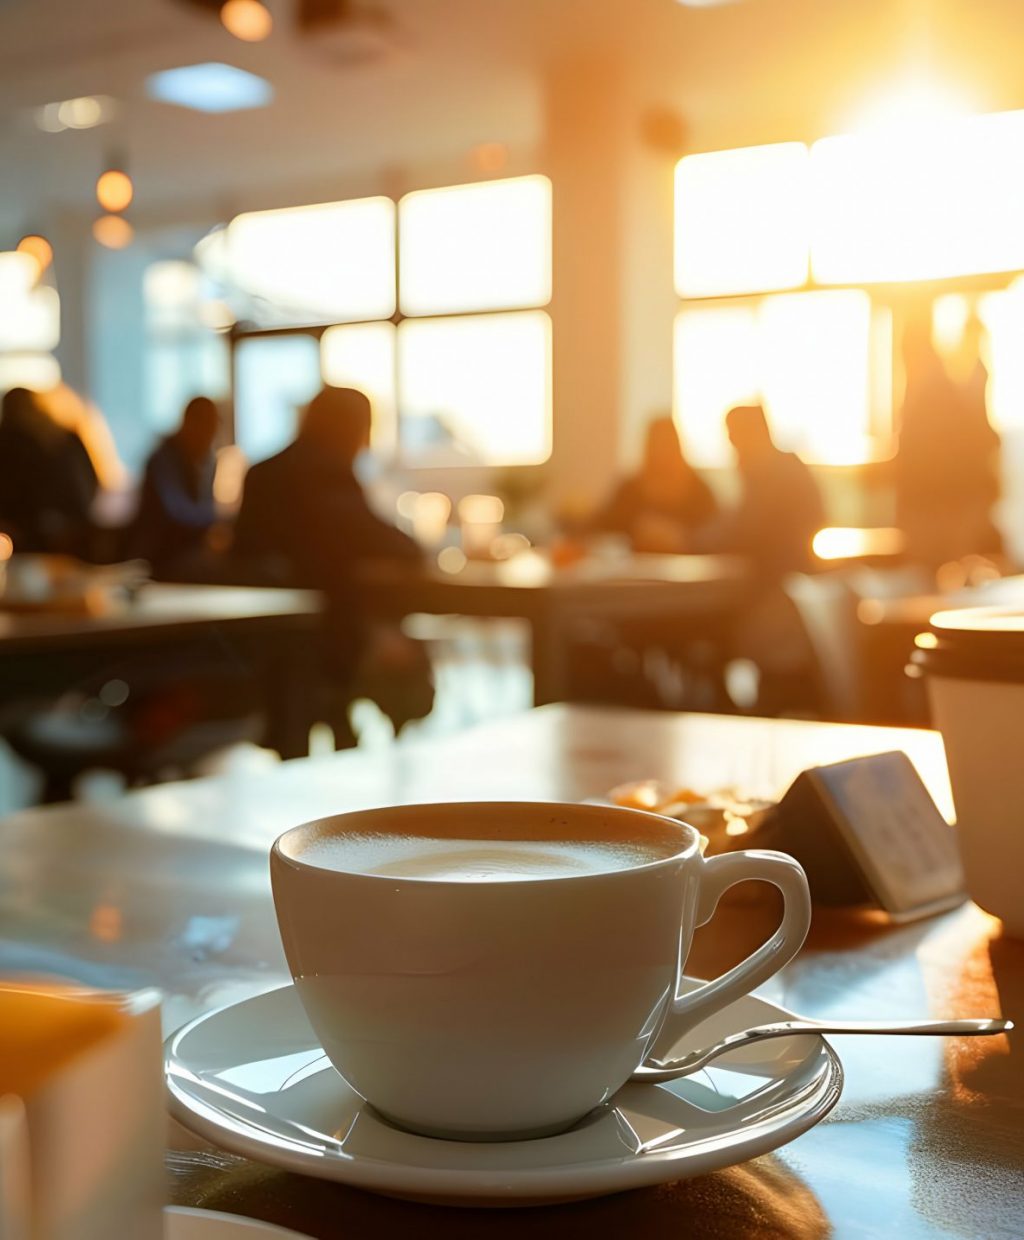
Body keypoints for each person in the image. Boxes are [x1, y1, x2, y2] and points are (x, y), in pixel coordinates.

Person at [233, 385, 431, 741]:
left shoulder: (262, 472)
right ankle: (391, 748)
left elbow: (240, 552)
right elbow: (388, 541)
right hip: (328, 633)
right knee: (408, 655)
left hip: (258, 635)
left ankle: (339, 729)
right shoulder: (328, 473)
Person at [895, 317, 1002, 566]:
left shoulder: (931, 390)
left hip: (941, 503)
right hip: (945, 503)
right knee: (948, 573)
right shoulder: (941, 389)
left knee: (941, 572)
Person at [692, 404, 824, 577]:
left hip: (783, 577)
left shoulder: (776, 474)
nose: (731, 442)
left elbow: (744, 531)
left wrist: (689, 542)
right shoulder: (776, 469)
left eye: (734, 433)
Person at [592, 415, 717, 551]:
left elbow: (714, 533)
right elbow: (607, 526)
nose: (662, 449)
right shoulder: (630, 488)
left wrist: (679, 536)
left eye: (667, 442)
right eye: (658, 442)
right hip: (635, 566)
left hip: (684, 566)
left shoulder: (699, 490)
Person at [128, 396, 220, 576]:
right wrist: (218, 524)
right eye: (205, 428)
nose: (209, 437)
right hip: (158, 557)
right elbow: (177, 511)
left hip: (190, 551)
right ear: (188, 424)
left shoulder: (207, 460)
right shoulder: (163, 459)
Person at [0, 386, 98, 556]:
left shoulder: (8, 440)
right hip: (73, 532)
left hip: (23, 537)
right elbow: (91, 482)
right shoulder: (65, 436)